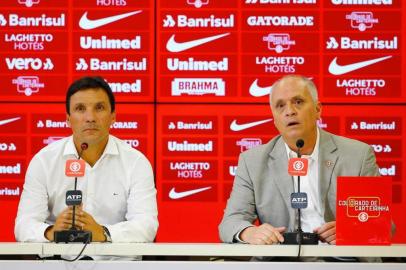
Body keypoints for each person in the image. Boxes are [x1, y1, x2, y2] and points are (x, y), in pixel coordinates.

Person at [219, 75, 384, 260]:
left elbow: (382, 226)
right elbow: (230, 223)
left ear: (317, 109)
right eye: (280, 106)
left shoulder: (357, 155)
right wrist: (248, 232)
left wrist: (353, 231)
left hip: (344, 262)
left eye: (298, 102)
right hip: (279, 264)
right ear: (274, 117)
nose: (289, 111)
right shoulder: (252, 162)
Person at [15, 76, 158, 250]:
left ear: (113, 116)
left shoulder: (136, 163)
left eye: (99, 108)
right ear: (68, 118)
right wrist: (51, 232)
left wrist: (103, 233)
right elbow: (23, 225)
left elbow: (146, 226)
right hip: (59, 264)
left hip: (117, 264)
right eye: (80, 108)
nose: (90, 117)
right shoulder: (44, 162)